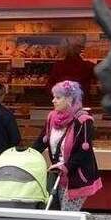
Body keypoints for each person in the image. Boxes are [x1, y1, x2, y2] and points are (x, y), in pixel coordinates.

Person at [32, 80, 102, 210]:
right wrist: (27, 155)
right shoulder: (52, 117)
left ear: (69, 99)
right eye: (54, 97)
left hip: (76, 176)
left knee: (67, 214)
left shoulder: (83, 121)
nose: (53, 101)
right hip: (58, 175)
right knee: (54, 212)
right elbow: (42, 141)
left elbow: (83, 153)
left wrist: (65, 167)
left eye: (58, 98)